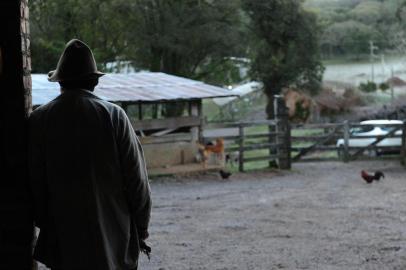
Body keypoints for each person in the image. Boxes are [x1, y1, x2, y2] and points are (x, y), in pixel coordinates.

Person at [29, 39, 151, 270]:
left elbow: (35, 182)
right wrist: (141, 228)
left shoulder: (39, 120)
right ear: (94, 81)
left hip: (63, 237)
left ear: (60, 81)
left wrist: (47, 222)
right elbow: (137, 181)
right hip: (113, 235)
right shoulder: (114, 116)